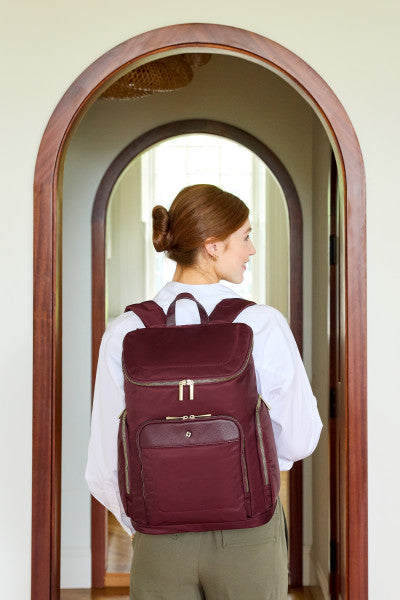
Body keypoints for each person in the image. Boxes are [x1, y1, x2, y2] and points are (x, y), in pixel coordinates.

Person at [85, 183, 323, 600]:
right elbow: (300, 438)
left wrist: (146, 527)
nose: (251, 249)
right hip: (248, 532)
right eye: (245, 237)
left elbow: (104, 464)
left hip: (159, 537)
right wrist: (242, 470)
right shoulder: (262, 324)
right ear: (212, 246)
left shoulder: (125, 331)